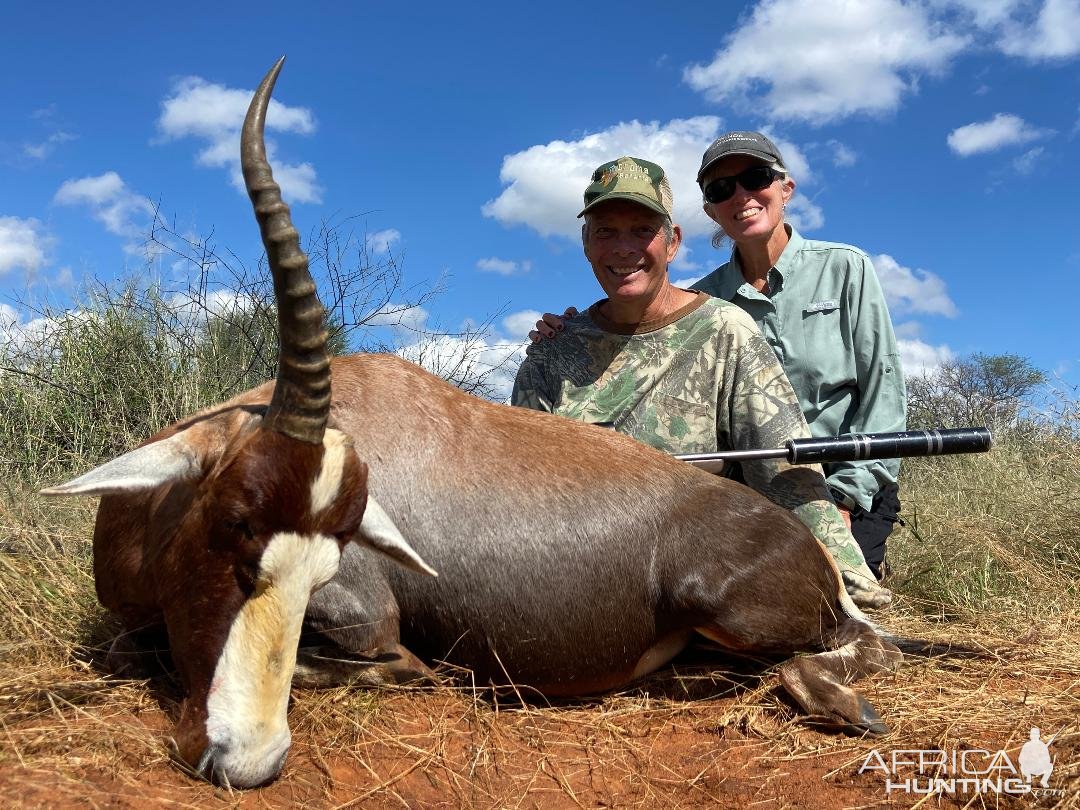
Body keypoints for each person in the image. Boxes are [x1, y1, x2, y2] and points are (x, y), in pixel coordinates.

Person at [512, 156, 890, 609]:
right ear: (586, 244)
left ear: (672, 243)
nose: (622, 248)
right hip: (579, 575)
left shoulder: (725, 330)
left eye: (641, 231)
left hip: (696, 574)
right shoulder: (552, 352)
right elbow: (518, 495)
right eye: (605, 232)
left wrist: (849, 586)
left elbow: (785, 475)